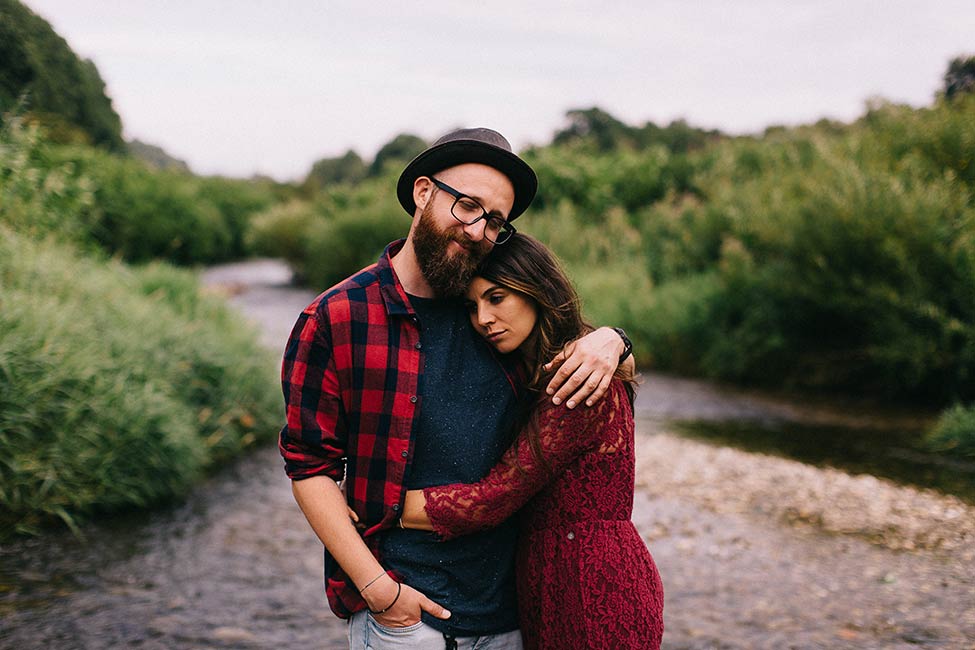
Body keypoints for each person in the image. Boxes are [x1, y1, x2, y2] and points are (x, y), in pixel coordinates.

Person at [278, 127, 633, 649]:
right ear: (424, 193)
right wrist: (380, 591)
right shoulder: (337, 318)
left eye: (495, 221)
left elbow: (565, 343)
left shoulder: (492, 309)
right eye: (468, 206)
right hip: (405, 617)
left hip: (510, 617)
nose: (478, 230)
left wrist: (615, 340)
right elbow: (309, 466)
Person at [398, 234, 664, 650]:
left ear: (536, 290)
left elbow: (492, 499)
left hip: (594, 589)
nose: (483, 318)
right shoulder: (540, 369)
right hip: (552, 585)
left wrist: (376, 502)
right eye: (472, 306)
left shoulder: (575, 381)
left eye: (496, 298)